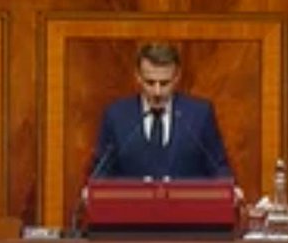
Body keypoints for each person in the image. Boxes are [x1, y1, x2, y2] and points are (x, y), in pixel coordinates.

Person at [90, 43, 231, 179]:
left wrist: (229, 187)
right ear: (138, 77)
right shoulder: (116, 116)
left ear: (177, 77)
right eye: (150, 82)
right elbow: (101, 173)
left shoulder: (199, 115)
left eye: (164, 83)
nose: (157, 92)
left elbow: (218, 168)